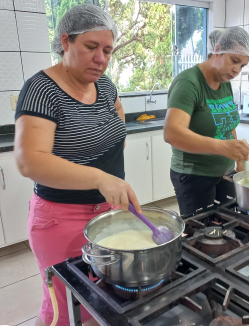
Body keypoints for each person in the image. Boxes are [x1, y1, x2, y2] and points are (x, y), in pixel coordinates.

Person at [14, 4, 141, 326]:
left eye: (108, 50)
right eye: (91, 47)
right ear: (66, 41)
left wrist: (111, 179)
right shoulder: (41, 89)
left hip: (108, 214)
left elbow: (116, 130)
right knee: (64, 303)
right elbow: (29, 161)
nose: (101, 58)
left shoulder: (106, 86)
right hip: (61, 218)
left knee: (103, 298)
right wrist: (99, 177)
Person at [164, 26, 249, 216]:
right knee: (202, 237)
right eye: (234, 61)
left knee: (228, 229)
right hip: (194, 177)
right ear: (218, 50)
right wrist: (222, 148)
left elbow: (228, 126)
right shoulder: (189, 83)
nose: (237, 70)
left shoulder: (225, 83)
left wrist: (240, 166)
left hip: (225, 174)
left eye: (242, 66)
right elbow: (172, 132)